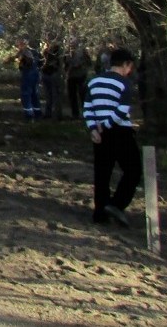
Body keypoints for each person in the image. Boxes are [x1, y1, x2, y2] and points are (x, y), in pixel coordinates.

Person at [83, 48, 141, 227]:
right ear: (125, 64)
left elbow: (87, 107)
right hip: (120, 131)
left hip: (100, 134)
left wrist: (93, 128)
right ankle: (117, 205)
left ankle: (100, 213)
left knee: (102, 173)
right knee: (133, 170)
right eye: (129, 67)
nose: (130, 70)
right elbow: (122, 111)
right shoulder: (124, 83)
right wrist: (106, 125)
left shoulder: (94, 81)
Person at [14, 38, 42, 120]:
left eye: (18, 45)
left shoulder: (25, 52)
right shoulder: (35, 52)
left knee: (26, 94)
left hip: (28, 75)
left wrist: (20, 62)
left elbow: (28, 62)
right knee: (34, 94)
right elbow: (41, 62)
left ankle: (29, 114)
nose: (18, 47)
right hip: (35, 75)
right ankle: (37, 113)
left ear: (23, 44)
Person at [64, 38, 91, 119]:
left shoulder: (82, 51)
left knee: (83, 95)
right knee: (72, 96)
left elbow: (88, 61)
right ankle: (75, 114)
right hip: (71, 76)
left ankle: (85, 113)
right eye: (70, 42)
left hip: (81, 75)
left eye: (73, 42)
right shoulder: (67, 52)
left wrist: (81, 65)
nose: (72, 44)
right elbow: (65, 64)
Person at [40, 37, 63, 120]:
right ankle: (48, 113)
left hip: (53, 74)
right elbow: (44, 60)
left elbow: (57, 63)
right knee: (48, 96)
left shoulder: (57, 52)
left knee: (54, 95)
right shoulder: (46, 51)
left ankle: (56, 114)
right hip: (46, 74)